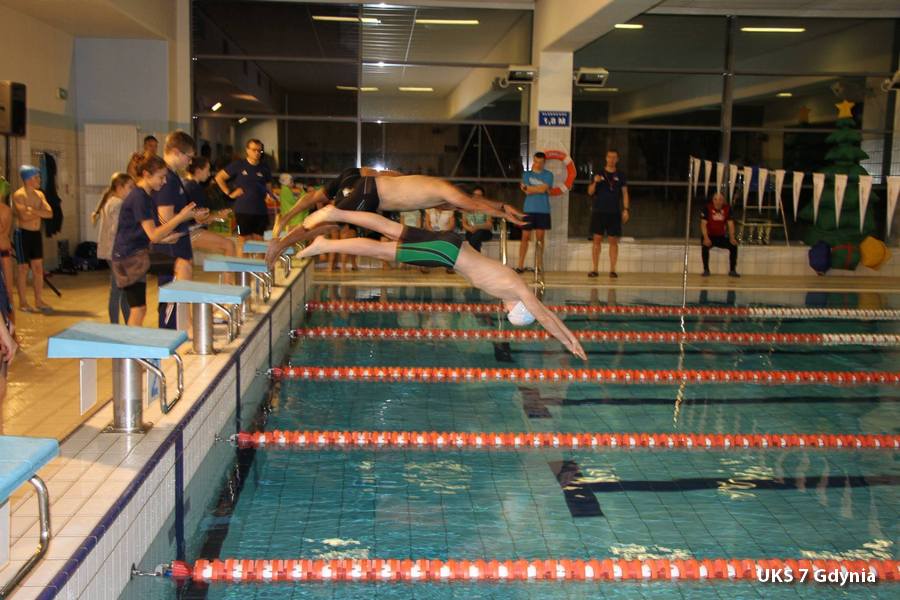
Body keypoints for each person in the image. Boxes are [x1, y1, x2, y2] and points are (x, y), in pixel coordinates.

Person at [285, 205, 586, 360]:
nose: (503, 309)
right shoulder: (515, 289)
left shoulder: (514, 283)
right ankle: (325, 244)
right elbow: (546, 317)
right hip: (446, 254)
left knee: (391, 230)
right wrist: (569, 342)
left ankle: (336, 213)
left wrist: (570, 337)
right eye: (508, 312)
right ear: (517, 308)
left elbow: (546, 313)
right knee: (383, 250)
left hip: (452, 242)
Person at [275, 166, 525, 235]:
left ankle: (285, 219)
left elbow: (470, 201)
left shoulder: (434, 190)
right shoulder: (446, 192)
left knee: (317, 198)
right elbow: (472, 204)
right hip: (366, 189)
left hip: (360, 175)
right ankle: (284, 241)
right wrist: (505, 214)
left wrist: (502, 205)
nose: (455, 207)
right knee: (330, 222)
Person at [111, 154, 199, 327]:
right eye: (161, 177)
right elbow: (153, 235)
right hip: (129, 259)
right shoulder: (139, 197)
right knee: (183, 265)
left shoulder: (146, 196)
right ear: (146, 175)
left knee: (138, 310)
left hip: (131, 255)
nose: (164, 181)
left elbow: (146, 233)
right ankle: (185, 324)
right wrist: (181, 216)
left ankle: (130, 346)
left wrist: (165, 239)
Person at [214, 138, 275, 253]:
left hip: (260, 211)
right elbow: (219, 177)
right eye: (254, 150)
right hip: (243, 211)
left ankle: (258, 265)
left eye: (259, 150)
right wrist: (229, 193)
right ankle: (243, 264)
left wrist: (270, 196)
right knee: (243, 241)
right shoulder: (239, 165)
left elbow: (268, 188)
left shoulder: (264, 168)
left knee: (259, 241)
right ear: (247, 150)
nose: (257, 153)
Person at [184, 156, 237, 284]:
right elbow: (200, 218)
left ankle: (228, 284)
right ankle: (228, 285)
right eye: (207, 170)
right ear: (198, 171)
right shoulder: (193, 188)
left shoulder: (190, 186)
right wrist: (219, 216)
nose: (209, 174)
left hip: (190, 230)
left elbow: (199, 216)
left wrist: (217, 215)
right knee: (229, 245)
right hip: (191, 232)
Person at [92, 172, 134, 324]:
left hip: (112, 252)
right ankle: (116, 325)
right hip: (117, 253)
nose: (132, 190)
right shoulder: (118, 204)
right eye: (130, 187)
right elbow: (116, 230)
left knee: (121, 290)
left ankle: (126, 323)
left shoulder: (110, 201)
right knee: (118, 291)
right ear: (120, 187)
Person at [11, 165, 54, 313]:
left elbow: (50, 213)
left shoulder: (40, 195)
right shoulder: (19, 195)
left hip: (35, 234)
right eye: (37, 177)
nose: (39, 180)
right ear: (28, 179)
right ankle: (23, 302)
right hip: (22, 234)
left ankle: (38, 300)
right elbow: (23, 217)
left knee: (38, 268)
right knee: (23, 269)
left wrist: (32, 210)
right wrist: (40, 212)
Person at [587, 149, 630, 278]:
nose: (611, 159)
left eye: (614, 157)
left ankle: (612, 270)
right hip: (599, 211)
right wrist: (595, 182)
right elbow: (590, 192)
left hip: (614, 212)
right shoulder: (599, 173)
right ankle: (595, 269)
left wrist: (626, 209)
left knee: (613, 241)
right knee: (596, 240)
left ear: (617, 159)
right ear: (606, 158)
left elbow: (625, 193)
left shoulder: (621, 175)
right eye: (609, 157)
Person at [517, 152, 554, 274]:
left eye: (540, 162)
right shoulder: (526, 174)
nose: (538, 164)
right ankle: (520, 265)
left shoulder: (548, 174)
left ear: (544, 162)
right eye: (536, 162)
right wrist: (539, 189)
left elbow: (543, 189)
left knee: (540, 238)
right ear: (533, 161)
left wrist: (530, 188)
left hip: (543, 210)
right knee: (525, 237)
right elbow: (527, 192)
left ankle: (538, 264)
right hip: (529, 209)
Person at [700, 192, 739, 277]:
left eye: (720, 200)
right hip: (709, 235)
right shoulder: (707, 208)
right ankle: (706, 269)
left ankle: (732, 270)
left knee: (733, 246)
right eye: (715, 199)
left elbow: (731, 224)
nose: (718, 202)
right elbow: (703, 224)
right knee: (705, 246)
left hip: (721, 236)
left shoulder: (727, 209)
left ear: (723, 201)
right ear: (712, 200)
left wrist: (732, 237)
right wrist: (706, 238)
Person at [462, 186, 493, 253]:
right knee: (474, 238)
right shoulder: (466, 207)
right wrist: (470, 229)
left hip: (484, 233)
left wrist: (477, 227)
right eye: (475, 195)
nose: (477, 197)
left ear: (483, 197)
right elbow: (464, 223)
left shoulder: (486, 208)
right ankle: (476, 253)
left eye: (479, 195)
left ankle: (470, 251)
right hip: (471, 232)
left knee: (478, 232)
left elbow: (489, 225)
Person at [0, 195, 16, 320]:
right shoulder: (6, 209)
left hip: (4, 252)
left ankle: (11, 325)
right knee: (7, 291)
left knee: (8, 291)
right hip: (4, 251)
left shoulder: (5, 210)